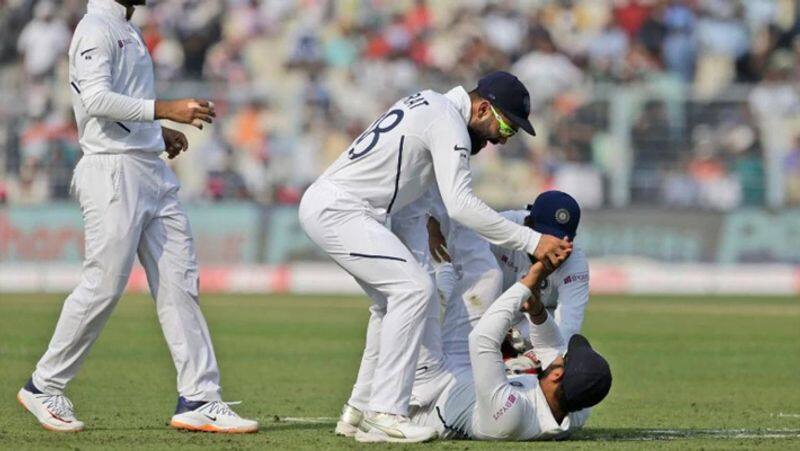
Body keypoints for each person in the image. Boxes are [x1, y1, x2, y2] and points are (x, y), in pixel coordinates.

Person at [16, 0, 257, 434]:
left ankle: (199, 397)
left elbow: (123, 104)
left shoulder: (125, 26)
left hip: (149, 167)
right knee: (104, 284)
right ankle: (44, 385)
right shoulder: (95, 26)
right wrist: (163, 110)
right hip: (112, 170)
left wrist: (154, 132)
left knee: (180, 282)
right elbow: (95, 99)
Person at [300, 71, 572, 443]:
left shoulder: (433, 106)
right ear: (482, 108)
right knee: (414, 291)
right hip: (342, 210)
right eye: (506, 128)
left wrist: (430, 226)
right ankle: (385, 413)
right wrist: (531, 240)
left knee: (390, 304)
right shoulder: (448, 120)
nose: (502, 140)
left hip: (348, 209)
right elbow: (460, 204)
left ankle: (357, 411)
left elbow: (419, 194)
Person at [344, 260, 611, 441]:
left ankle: (364, 410)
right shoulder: (576, 408)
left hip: (428, 394)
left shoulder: (513, 418)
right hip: (458, 374)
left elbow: (482, 340)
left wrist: (526, 284)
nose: (560, 355)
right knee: (478, 275)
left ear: (556, 376)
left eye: (563, 360)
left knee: (411, 295)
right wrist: (538, 311)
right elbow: (551, 348)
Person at [433, 190, 590, 373]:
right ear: (528, 223)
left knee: (568, 359)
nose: (554, 248)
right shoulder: (504, 226)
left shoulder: (575, 261)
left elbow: (568, 327)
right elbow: (458, 268)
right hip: (485, 316)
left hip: (530, 329)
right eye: (546, 237)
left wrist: (539, 357)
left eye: (563, 240)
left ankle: (520, 363)